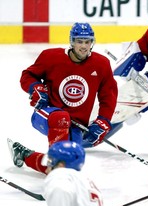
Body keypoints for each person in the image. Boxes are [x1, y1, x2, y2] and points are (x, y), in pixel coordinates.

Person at [9, 22, 118, 174]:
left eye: (87, 42)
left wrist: (103, 121)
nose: (84, 46)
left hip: (76, 124)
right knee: (62, 117)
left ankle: (26, 156)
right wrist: (36, 88)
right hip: (47, 114)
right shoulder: (51, 57)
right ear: (72, 41)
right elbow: (27, 75)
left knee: (70, 164)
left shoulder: (101, 64)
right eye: (79, 41)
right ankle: (57, 176)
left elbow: (109, 96)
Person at [44, 140, 104, 206]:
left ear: (61, 165)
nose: (46, 169)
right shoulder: (83, 180)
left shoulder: (60, 181)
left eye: (50, 161)